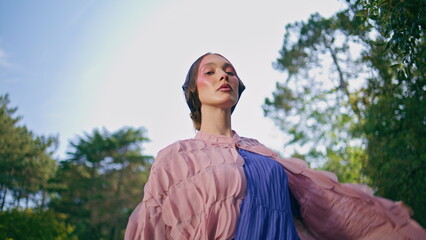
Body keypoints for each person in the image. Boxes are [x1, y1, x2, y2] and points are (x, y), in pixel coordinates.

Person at [125, 53, 426, 240]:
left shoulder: (265, 156)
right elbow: (152, 229)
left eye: (229, 70)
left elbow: (329, 207)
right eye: (210, 71)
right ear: (194, 90)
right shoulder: (175, 158)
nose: (223, 75)